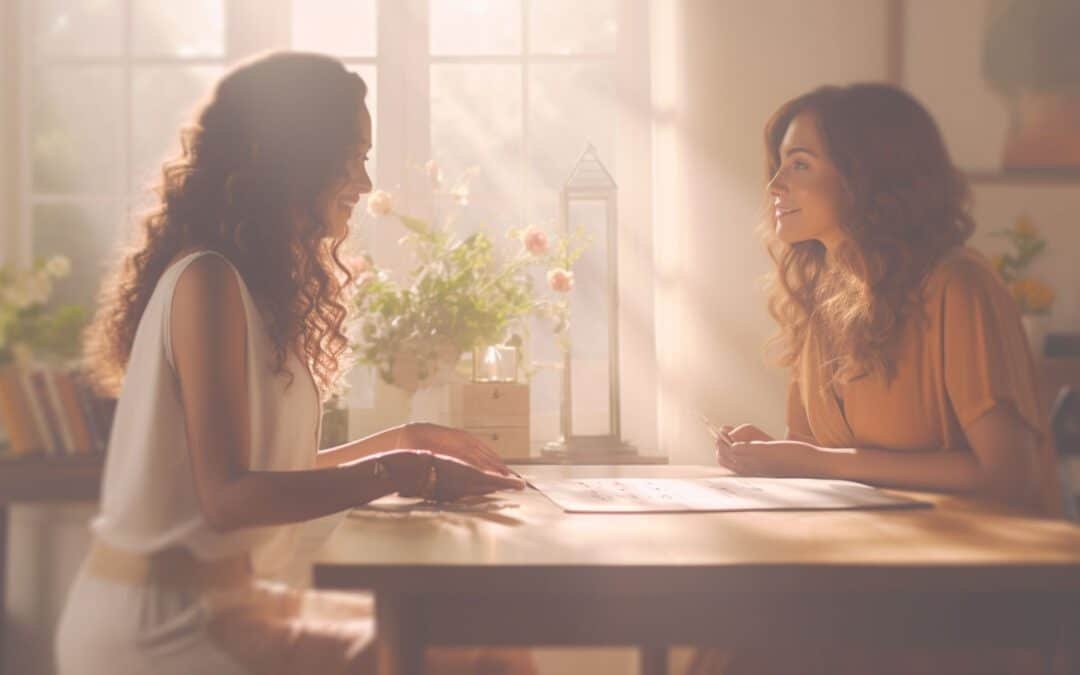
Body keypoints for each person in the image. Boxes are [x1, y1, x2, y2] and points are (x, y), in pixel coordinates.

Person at [56, 51, 532, 675]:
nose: (364, 184)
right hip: (158, 625)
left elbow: (273, 473)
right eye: (353, 157)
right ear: (293, 155)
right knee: (473, 662)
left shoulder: (252, 287)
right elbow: (229, 497)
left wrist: (407, 440)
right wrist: (403, 470)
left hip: (228, 600)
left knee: (490, 643)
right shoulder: (207, 281)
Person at [698, 83, 1063, 674]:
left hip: (966, 599)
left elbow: (1007, 476)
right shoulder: (822, 299)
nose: (775, 186)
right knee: (728, 640)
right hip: (867, 578)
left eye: (799, 165)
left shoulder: (958, 287)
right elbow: (820, 458)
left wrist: (817, 464)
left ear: (865, 176)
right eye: (779, 166)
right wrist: (776, 455)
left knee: (746, 652)